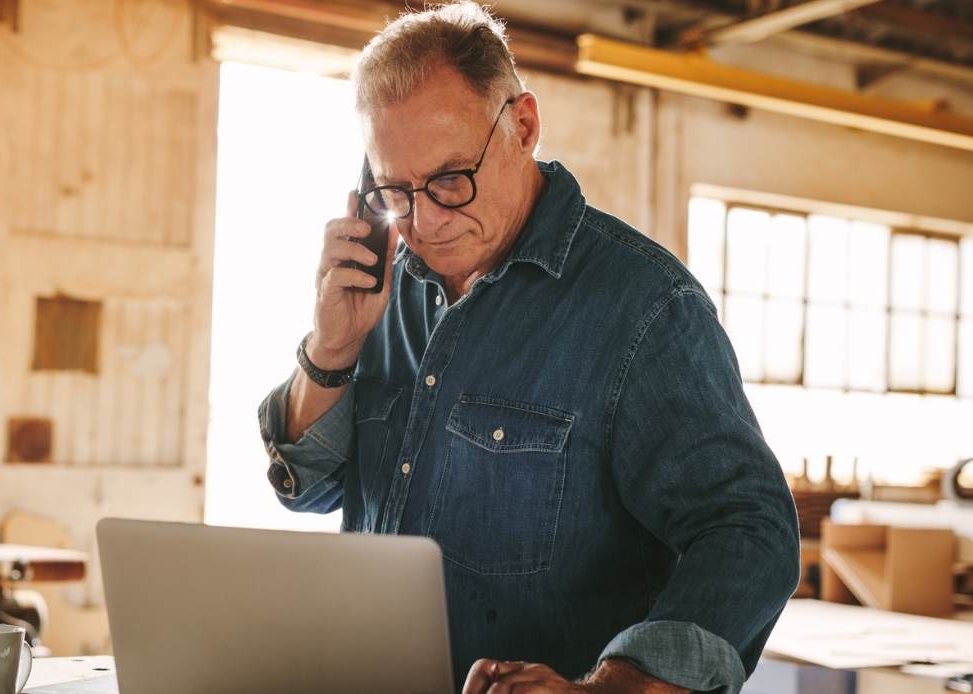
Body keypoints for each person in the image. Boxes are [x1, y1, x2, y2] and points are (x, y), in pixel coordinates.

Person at [256, 2, 800, 691]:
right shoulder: (378, 292)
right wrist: (330, 350)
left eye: (452, 178)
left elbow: (749, 532)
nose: (426, 221)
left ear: (522, 125)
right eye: (395, 190)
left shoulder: (645, 307)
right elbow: (307, 491)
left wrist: (616, 685)